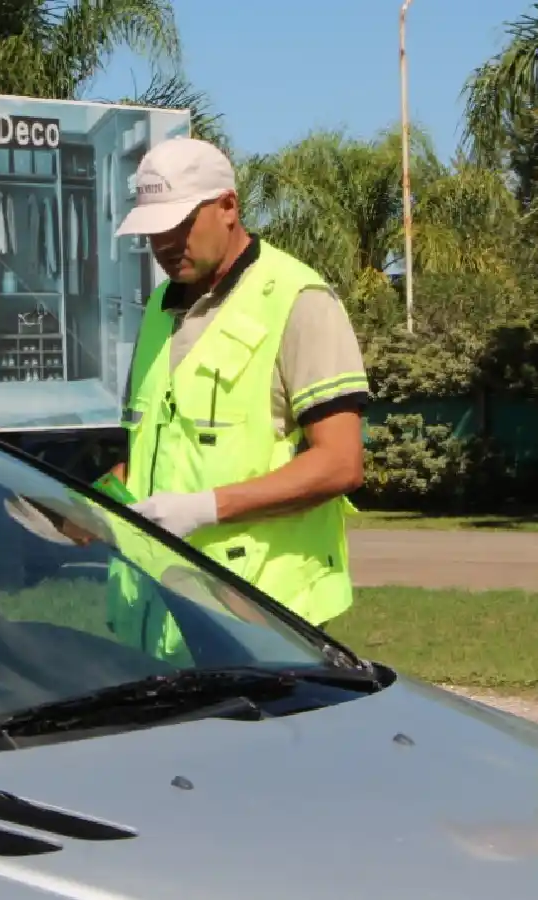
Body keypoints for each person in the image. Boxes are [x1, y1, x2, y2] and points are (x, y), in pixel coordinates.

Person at [102, 136, 369, 637]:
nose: (164, 243)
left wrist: (204, 509)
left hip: (260, 615)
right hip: (158, 608)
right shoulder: (159, 308)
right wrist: (83, 507)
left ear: (228, 207)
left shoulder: (298, 299)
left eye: (180, 224)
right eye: (153, 229)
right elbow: (150, 452)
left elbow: (340, 462)